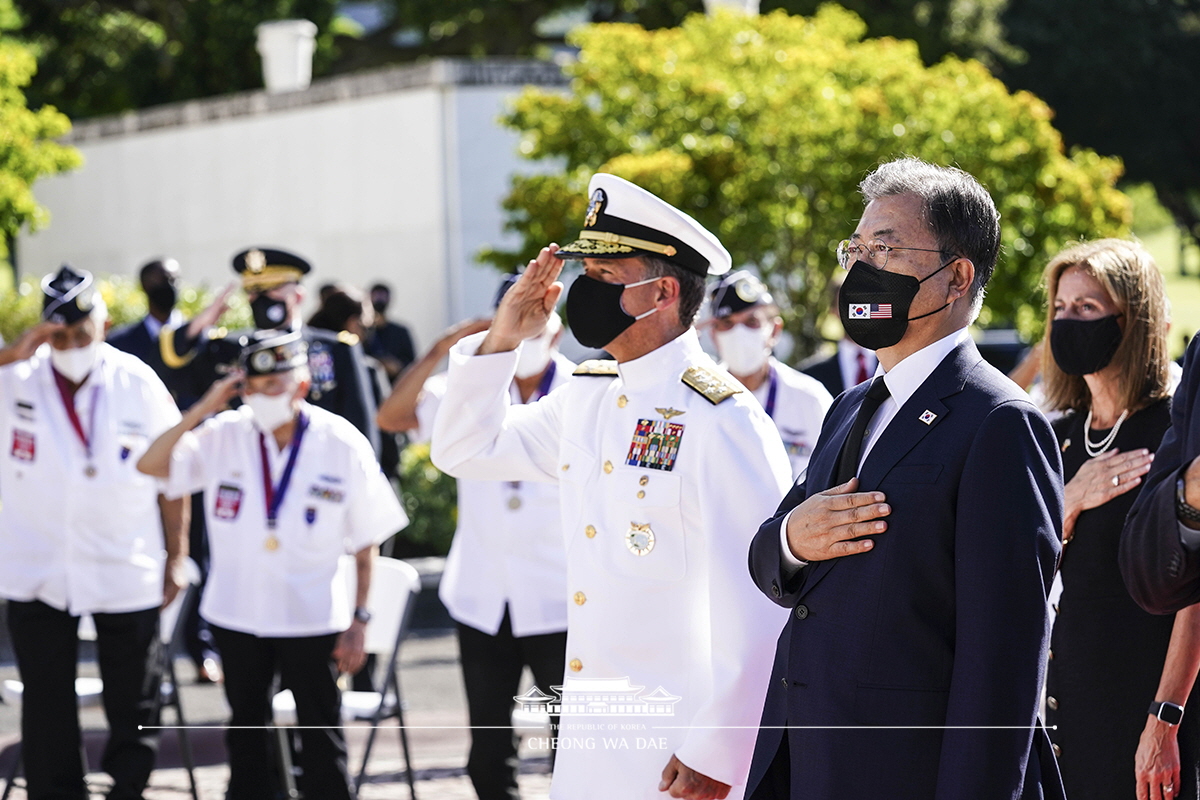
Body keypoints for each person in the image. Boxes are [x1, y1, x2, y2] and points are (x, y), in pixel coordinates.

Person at [430, 173, 793, 800]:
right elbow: (465, 448)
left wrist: (722, 746)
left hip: (679, 751)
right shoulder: (591, 396)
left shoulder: (722, 419)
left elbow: (764, 600)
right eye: (585, 277)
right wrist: (503, 338)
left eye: (605, 278)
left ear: (664, 292)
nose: (580, 293)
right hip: (595, 738)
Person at [745, 157, 1064, 799]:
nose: (861, 267)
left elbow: (1001, 667)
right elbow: (770, 560)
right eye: (856, 248)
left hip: (906, 775)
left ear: (957, 278)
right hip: (808, 762)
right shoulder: (851, 405)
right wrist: (791, 541)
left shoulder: (999, 422)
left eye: (886, 248)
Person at [137, 331, 408, 800]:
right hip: (237, 614)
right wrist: (205, 406)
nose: (262, 397)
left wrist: (360, 620)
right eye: (253, 386)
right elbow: (151, 465)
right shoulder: (224, 434)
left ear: (300, 386)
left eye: (273, 386)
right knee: (246, 734)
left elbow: (368, 542)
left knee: (321, 736)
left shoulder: (339, 441)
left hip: (312, 616)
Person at [378, 278, 571, 800]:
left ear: (557, 330)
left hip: (561, 600)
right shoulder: (466, 389)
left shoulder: (584, 389)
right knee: (488, 751)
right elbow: (392, 417)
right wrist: (443, 349)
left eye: (540, 318)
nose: (530, 331)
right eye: (517, 317)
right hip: (484, 593)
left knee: (573, 748)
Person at [0, 265, 187, 800]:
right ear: (42, 332)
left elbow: (172, 476)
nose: (72, 345)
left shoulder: (137, 381)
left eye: (82, 334)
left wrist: (177, 556)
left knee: (135, 700)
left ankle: (128, 789)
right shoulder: (13, 380)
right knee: (46, 700)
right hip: (38, 566)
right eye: (59, 336)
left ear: (103, 325)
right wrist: (13, 353)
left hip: (123, 562)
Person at [1037, 239, 1200, 800]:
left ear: (1132, 318)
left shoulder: (1172, 432)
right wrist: (1069, 501)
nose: (1068, 321)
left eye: (1087, 308)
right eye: (1060, 308)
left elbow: (1194, 596)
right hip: (1066, 708)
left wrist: (1164, 719)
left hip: (1147, 717)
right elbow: (1019, 566)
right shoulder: (1055, 437)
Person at [108, 256, 222, 684]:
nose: (168, 284)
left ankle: (202, 647)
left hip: (188, 465)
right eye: (160, 280)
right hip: (138, 467)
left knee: (197, 558)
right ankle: (151, 656)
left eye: (173, 278)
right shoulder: (123, 342)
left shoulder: (203, 337)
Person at [160, 247, 381, 458]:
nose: (261, 299)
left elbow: (361, 429)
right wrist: (203, 321)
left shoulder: (336, 349)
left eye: (272, 288)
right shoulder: (227, 347)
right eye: (253, 292)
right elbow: (167, 369)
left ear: (298, 295)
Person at [707, 270, 832, 479]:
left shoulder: (809, 398)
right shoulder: (698, 399)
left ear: (774, 331)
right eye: (727, 324)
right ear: (714, 336)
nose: (739, 334)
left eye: (751, 322)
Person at [800, 276, 877, 397]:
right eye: (848, 304)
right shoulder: (810, 376)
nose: (858, 311)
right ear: (833, 311)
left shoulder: (896, 369)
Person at [366, 282, 417, 382]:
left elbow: (413, 364)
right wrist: (379, 363)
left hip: (396, 386)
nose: (379, 299)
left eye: (382, 296)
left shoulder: (401, 332)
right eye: (376, 296)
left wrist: (397, 367)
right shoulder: (364, 331)